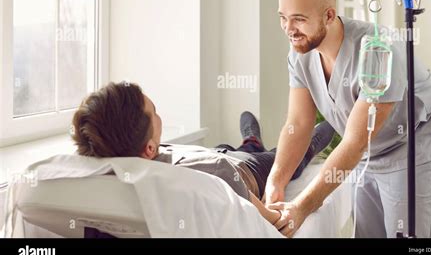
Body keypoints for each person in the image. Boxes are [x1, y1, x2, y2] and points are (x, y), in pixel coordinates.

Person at [265, 0, 431, 238]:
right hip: (366, 153)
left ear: (329, 15)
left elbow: (354, 142)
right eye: (283, 18)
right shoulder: (300, 53)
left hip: (409, 146)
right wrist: (275, 181)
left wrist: (301, 208)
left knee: (408, 237)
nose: (289, 29)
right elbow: (299, 123)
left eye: (299, 20)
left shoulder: (378, 51)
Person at [71, 82, 335, 226]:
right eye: (156, 113)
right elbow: (272, 220)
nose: (160, 116)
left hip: (215, 154)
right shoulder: (211, 178)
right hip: (247, 168)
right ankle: (308, 139)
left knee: (234, 147)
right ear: (149, 149)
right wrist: (292, 211)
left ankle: (251, 139)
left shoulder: (120, 160)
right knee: (291, 155)